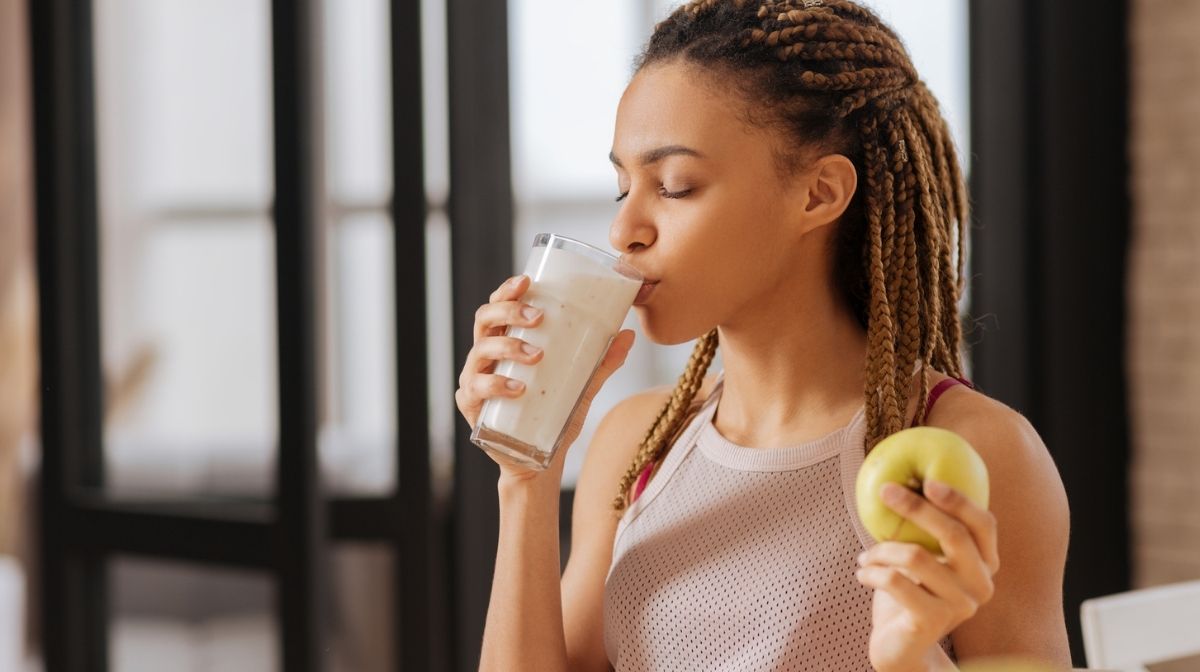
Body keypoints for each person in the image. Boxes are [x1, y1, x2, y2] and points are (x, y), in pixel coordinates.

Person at [455, 1, 1071, 670]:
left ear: (818, 194)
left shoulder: (975, 452)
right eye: (622, 187)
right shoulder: (638, 443)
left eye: (675, 185)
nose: (623, 230)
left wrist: (913, 659)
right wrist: (526, 478)